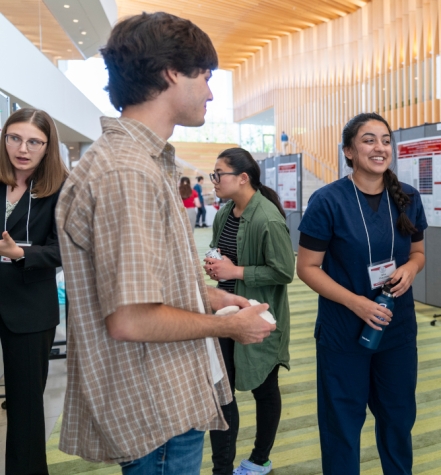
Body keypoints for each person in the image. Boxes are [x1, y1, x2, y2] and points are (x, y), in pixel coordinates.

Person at [55, 12, 276, 473]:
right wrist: (230, 327)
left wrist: (205, 297)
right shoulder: (128, 172)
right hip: (155, 405)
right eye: (206, 77)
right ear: (172, 72)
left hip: (163, 397)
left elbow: (135, 288)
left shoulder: (137, 163)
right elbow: (132, 319)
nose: (211, 92)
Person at [296, 112, 427, 474]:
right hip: (343, 330)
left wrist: (411, 268)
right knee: (342, 425)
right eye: (369, 140)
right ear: (349, 151)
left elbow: (418, 253)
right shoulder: (327, 201)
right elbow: (306, 268)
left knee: (398, 420)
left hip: (396, 329)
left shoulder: (408, 198)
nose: (380, 147)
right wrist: (356, 303)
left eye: (385, 140)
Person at [203, 148, 295, 475]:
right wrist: (217, 268)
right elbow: (222, 255)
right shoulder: (223, 214)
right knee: (222, 393)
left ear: (243, 178)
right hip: (224, 317)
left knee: (264, 389)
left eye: (219, 174)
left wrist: (236, 272)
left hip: (258, 315)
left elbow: (285, 271)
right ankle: (222, 469)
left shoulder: (267, 217)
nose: (213, 181)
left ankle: (260, 459)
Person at [0, 108, 68, 474]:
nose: (22, 148)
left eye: (33, 141)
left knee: (25, 408)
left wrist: (20, 253)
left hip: (29, 309)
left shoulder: (61, 188)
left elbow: (64, 250)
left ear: (47, 146)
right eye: (14, 138)